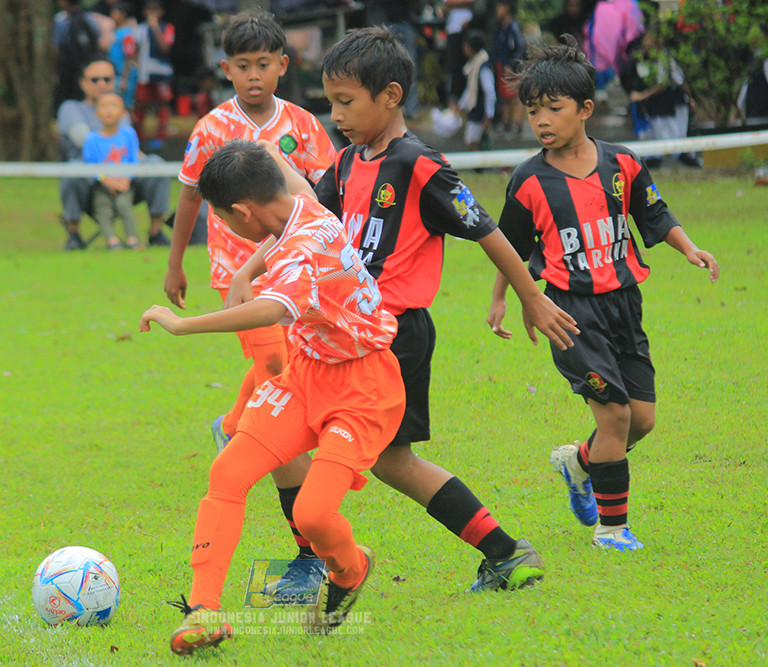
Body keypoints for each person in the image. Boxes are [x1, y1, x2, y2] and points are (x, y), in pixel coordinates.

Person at [232, 26, 578, 595]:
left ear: (390, 96)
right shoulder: (348, 163)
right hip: (342, 332)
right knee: (383, 460)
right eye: (330, 102)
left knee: (296, 442)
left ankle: (314, 565)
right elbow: (301, 223)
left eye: (346, 101)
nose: (335, 115)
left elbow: (485, 229)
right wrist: (250, 270)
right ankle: (503, 552)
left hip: (390, 336)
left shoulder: (420, 164)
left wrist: (530, 295)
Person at [143, 139, 406, 654]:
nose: (228, 228)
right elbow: (286, 177)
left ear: (242, 212)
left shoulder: (301, 252)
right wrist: (246, 268)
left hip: (363, 387)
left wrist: (182, 324)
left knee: (313, 515)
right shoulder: (302, 202)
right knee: (228, 472)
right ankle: (204, 610)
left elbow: (270, 310)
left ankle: (351, 570)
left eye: (224, 220)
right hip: (305, 375)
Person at [486, 38, 720, 552]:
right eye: (533, 111)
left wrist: (689, 248)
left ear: (585, 109)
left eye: (553, 108)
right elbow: (509, 246)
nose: (541, 120)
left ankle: (579, 462)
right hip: (570, 312)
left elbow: (653, 213)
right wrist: (506, 298)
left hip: (624, 303)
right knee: (614, 416)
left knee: (642, 419)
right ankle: (612, 530)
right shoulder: (528, 181)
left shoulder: (623, 163)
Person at [163, 12, 338, 571]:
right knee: (280, 375)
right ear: (227, 69)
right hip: (237, 273)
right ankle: (307, 548)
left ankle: (235, 426)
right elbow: (190, 196)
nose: (254, 75)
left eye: (264, 64)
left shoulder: (303, 124)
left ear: (283, 65)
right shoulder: (212, 128)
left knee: (281, 370)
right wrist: (175, 264)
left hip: (295, 272)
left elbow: (325, 193)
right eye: (243, 66)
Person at [57, 58, 171, 251]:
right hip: (90, 181)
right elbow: (85, 141)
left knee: (156, 163)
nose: (102, 84)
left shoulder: (123, 113)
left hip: (125, 179)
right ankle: (74, 235)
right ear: (83, 83)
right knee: (72, 170)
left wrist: (127, 174)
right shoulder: (71, 108)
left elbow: (128, 148)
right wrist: (106, 177)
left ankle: (155, 233)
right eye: (95, 80)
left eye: (107, 79)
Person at [623, 27, 700, 168]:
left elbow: (664, 84)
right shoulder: (641, 58)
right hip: (654, 103)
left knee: (675, 135)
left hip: (671, 101)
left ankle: (685, 158)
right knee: (657, 134)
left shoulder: (664, 58)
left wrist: (641, 96)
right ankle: (655, 158)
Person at [83, 92, 145, 250]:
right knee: (102, 207)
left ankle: (133, 239)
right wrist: (107, 181)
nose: (108, 110)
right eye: (104, 106)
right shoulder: (91, 139)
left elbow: (134, 159)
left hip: (125, 183)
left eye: (114, 106)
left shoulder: (129, 134)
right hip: (102, 185)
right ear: (96, 112)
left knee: (124, 204)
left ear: (123, 112)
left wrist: (126, 180)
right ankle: (112, 240)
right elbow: (91, 165)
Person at [132, 0, 175, 148]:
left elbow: (165, 48)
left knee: (163, 103)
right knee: (141, 103)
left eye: (155, 10)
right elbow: (135, 51)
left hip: (161, 71)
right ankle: (139, 136)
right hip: (144, 73)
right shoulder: (140, 29)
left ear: (161, 12)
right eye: (149, 10)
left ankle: (161, 136)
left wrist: (155, 28)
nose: (152, 14)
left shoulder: (167, 28)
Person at [53, 0, 103, 112]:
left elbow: (56, 48)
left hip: (67, 69)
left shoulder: (61, 21)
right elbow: (99, 42)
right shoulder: (90, 18)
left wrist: (55, 69)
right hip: (88, 66)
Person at [454, 29, 496, 152]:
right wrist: (461, 105)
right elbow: (470, 89)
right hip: (475, 111)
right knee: (471, 140)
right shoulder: (474, 65)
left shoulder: (483, 67)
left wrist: (489, 114)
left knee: (474, 141)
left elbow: (489, 92)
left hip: (480, 112)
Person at [490, 0, 526, 137]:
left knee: (515, 96)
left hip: (510, 67)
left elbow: (520, 47)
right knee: (504, 97)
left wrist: (512, 64)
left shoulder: (513, 27)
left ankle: (517, 123)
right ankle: (507, 123)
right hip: (501, 66)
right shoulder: (501, 27)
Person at [107, 1, 138, 110]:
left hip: (124, 76)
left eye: (115, 13)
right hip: (116, 75)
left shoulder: (128, 34)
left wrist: (125, 79)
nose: (112, 16)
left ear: (123, 14)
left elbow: (130, 57)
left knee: (126, 107)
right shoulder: (116, 32)